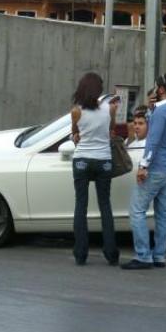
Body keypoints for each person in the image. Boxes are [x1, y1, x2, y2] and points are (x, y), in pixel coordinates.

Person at [122, 74, 166, 270]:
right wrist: (150, 108)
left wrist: (143, 166)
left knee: (137, 210)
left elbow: (153, 140)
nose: (155, 88)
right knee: (163, 214)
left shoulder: (160, 112)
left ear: (162, 89)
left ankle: (143, 256)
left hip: (155, 168)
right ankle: (159, 255)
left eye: (157, 86)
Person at [70, 72, 119, 266]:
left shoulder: (76, 110)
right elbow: (111, 130)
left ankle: (80, 254)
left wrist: (78, 135)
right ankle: (111, 253)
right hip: (104, 160)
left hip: (82, 160)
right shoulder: (110, 109)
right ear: (98, 90)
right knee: (105, 205)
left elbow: (75, 133)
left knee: (80, 206)